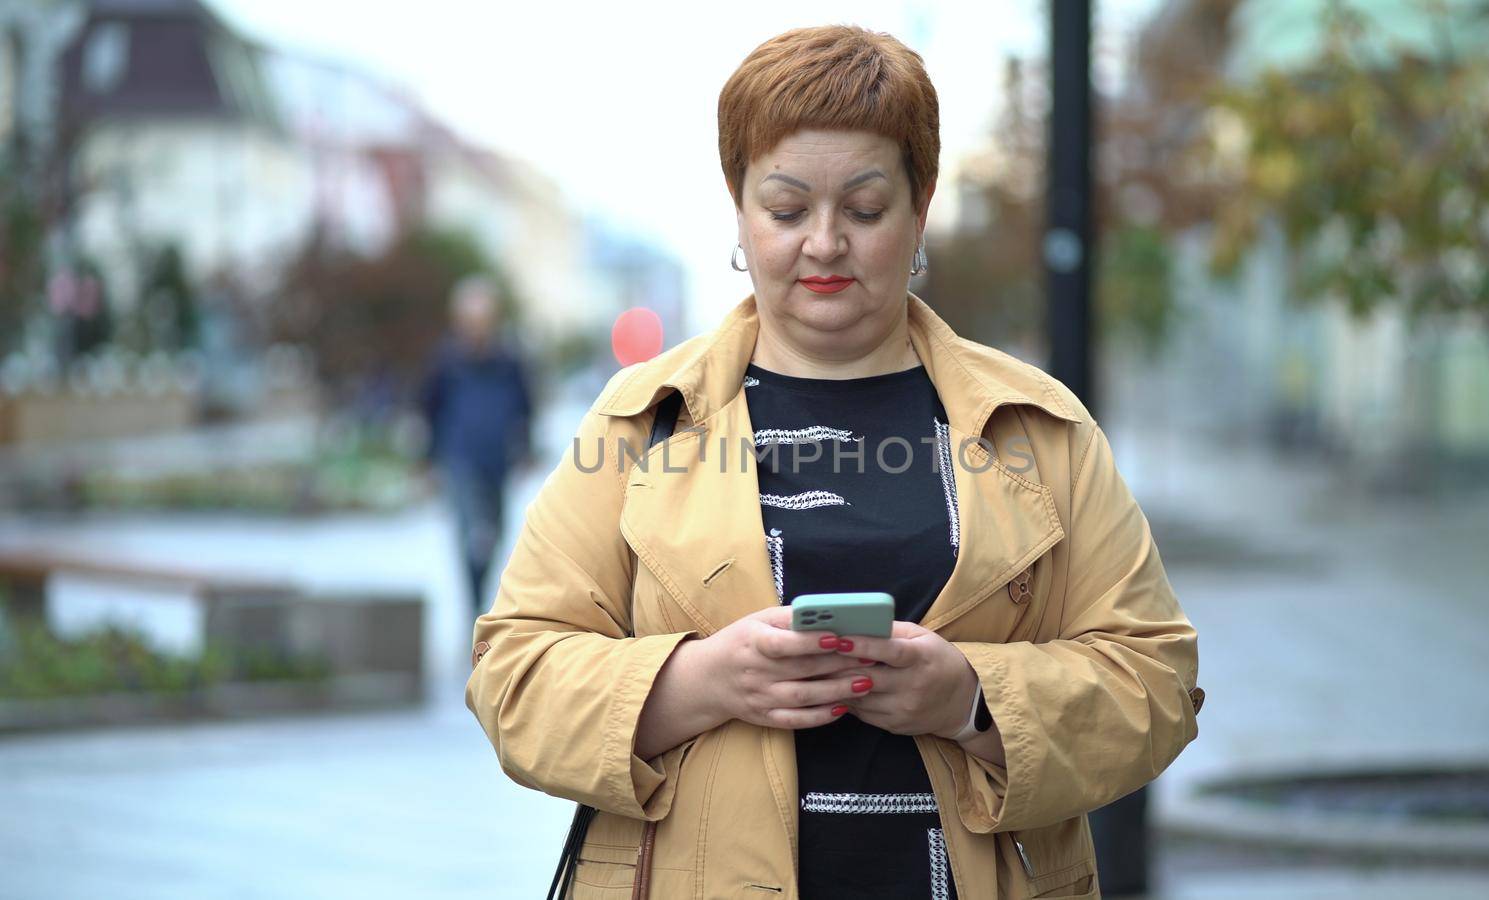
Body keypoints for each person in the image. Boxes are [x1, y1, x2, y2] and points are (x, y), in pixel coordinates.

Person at [465, 25, 1200, 899]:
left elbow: (1156, 682)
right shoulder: (637, 422)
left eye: (863, 208)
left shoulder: (1039, 427)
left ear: (921, 207)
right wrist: (700, 680)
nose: (823, 244)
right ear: (738, 208)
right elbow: (513, 678)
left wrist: (971, 699)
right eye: (785, 209)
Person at [420, 275, 534, 631]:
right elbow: (429, 410)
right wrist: (428, 460)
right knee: (471, 536)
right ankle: (472, 609)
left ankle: (480, 597)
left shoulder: (509, 361)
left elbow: (524, 408)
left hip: (497, 462)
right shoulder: (446, 362)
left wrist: (525, 449)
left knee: (495, 536)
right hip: (460, 461)